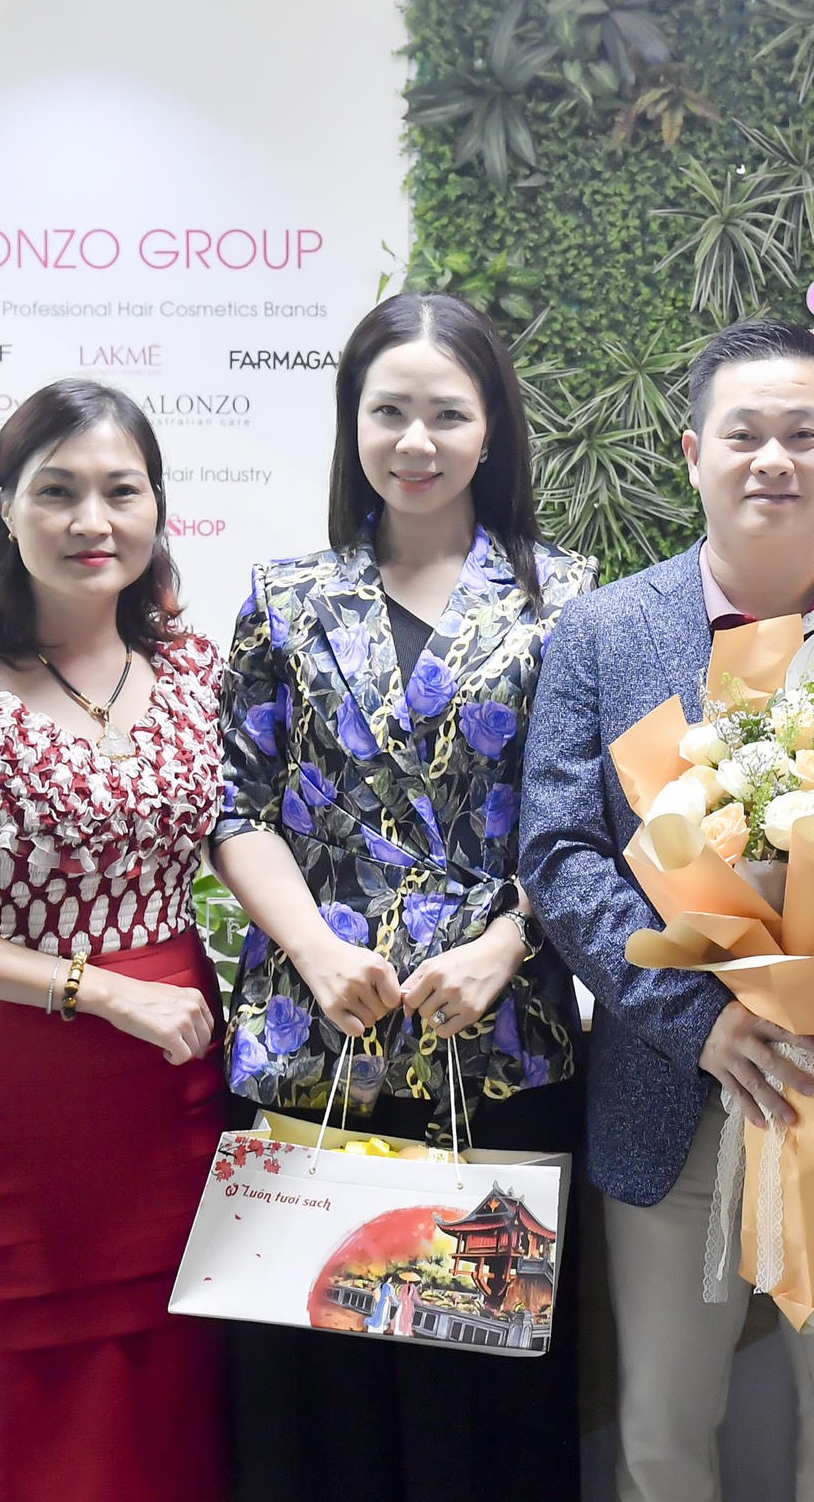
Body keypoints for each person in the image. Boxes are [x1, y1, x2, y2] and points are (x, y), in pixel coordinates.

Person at [519, 317, 814, 1502]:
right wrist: (696, 1019)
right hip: (674, 1093)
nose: (773, 458)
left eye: (801, 434)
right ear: (693, 454)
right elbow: (559, 852)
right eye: (744, 433)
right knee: (662, 1436)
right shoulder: (604, 633)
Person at [210, 291, 594, 1502]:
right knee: (314, 1390)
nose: (415, 441)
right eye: (388, 412)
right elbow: (236, 803)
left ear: (493, 429)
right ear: (351, 422)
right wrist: (314, 947)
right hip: (313, 1035)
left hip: (500, 1037)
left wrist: (508, 942)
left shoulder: (568, 600)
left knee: (486, 1402)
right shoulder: (284, 594)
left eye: (446, 414)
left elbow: (596, 819)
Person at [0, 378, 229, 1502]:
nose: (92, 520)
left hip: (175, 1069)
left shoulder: (196, 672)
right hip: (19, 1076)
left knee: (181, 1371)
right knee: (30, 1380)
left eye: (123, 490)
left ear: (158, 507)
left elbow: (250, 842)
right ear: (4, 508)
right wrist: (100, 989)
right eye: (57, 491)